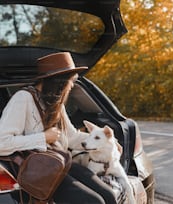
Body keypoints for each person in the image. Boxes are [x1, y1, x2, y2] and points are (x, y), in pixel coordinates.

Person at [0, 52, 117, 204]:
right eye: (71, 81)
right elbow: (2, 142)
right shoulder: (23, 99)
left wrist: (108, 142)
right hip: (40, 171)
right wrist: (43, 138)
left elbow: (72, 137)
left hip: (60, 162)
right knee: (94, 202)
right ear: (59, 81)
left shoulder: (55, 103)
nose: (72, 85)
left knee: (109, 196)